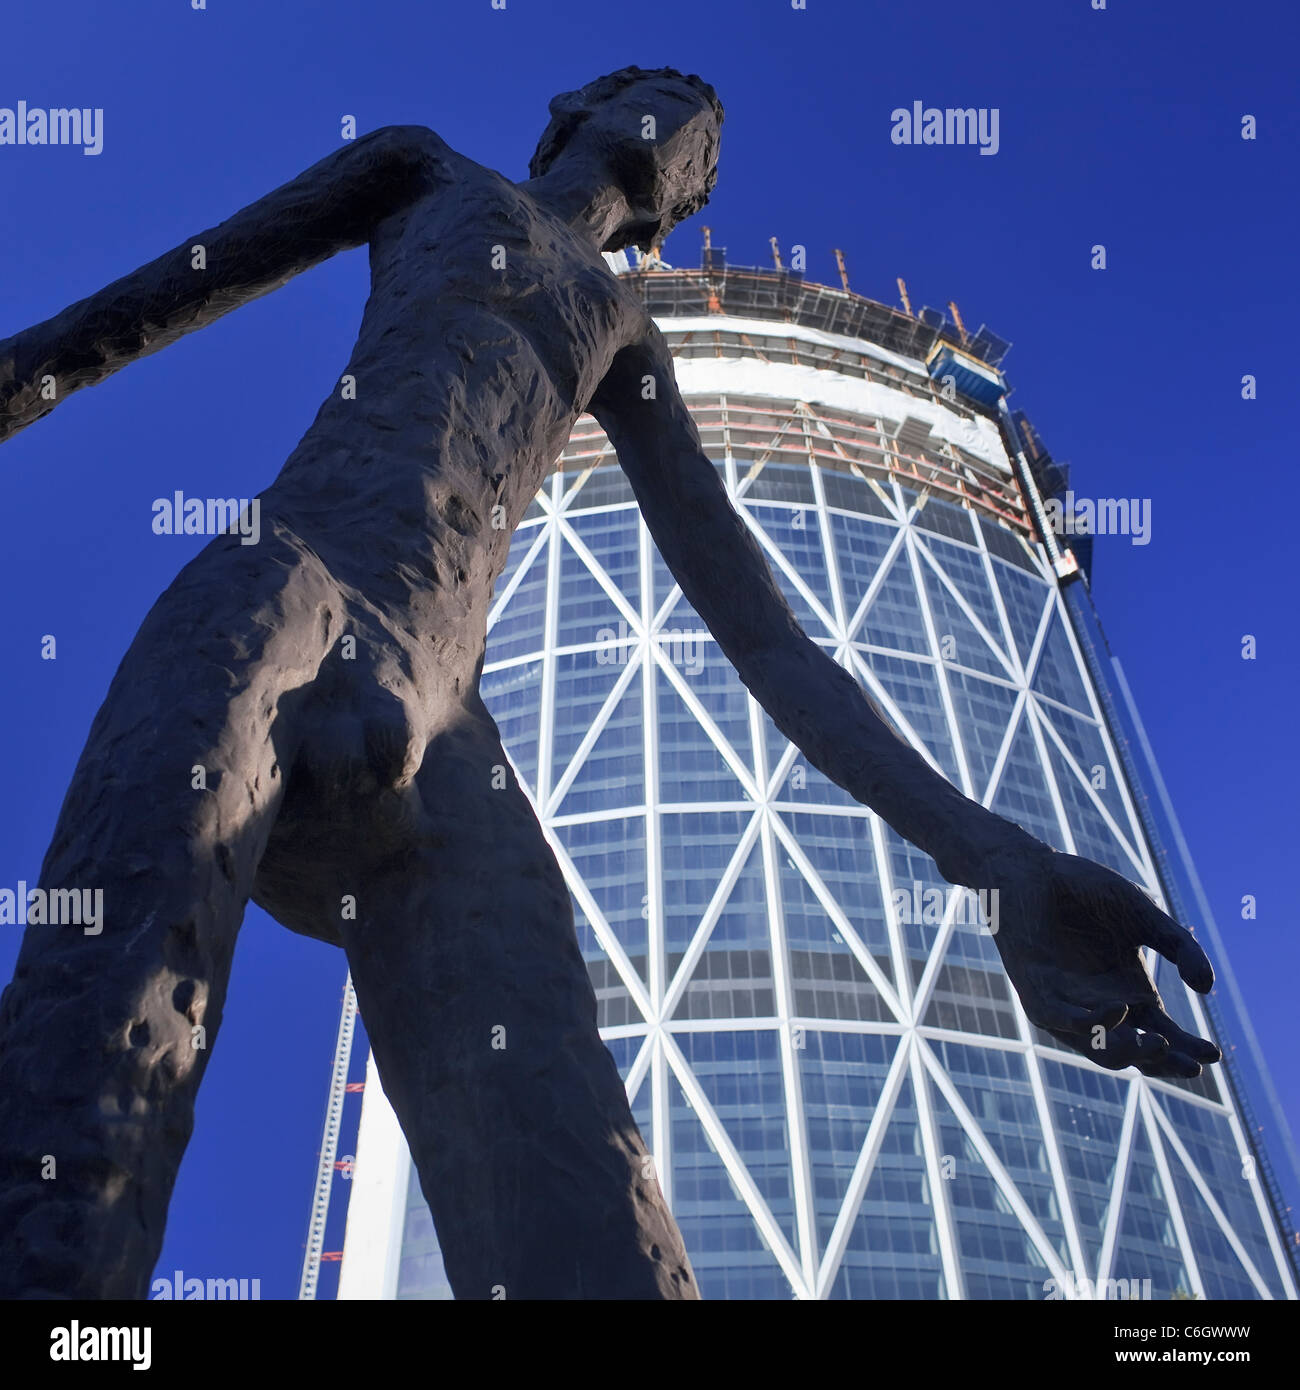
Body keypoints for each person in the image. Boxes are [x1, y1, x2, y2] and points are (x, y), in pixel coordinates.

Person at [0, 65, 1218, 1300]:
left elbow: (775, 647)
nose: (693, 132)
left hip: (446, 732)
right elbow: (157, 298)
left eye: (706, 148)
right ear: (572, 108)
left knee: (593, 1212)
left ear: (675, 209)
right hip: (287, 592)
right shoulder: (422, 170)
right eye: (665, 93)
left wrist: (996, 857)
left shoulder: (627, 336)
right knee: (86, 1105)